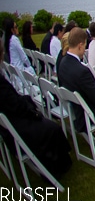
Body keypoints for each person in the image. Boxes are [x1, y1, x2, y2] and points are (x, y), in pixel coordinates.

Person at [0, 36, 72, 177]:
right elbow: (14, 104)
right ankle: (58, 166)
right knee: (53, 129)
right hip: (16, 125)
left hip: (9, 123)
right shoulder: (1, 85)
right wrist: (31, 110)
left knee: (47, 124)